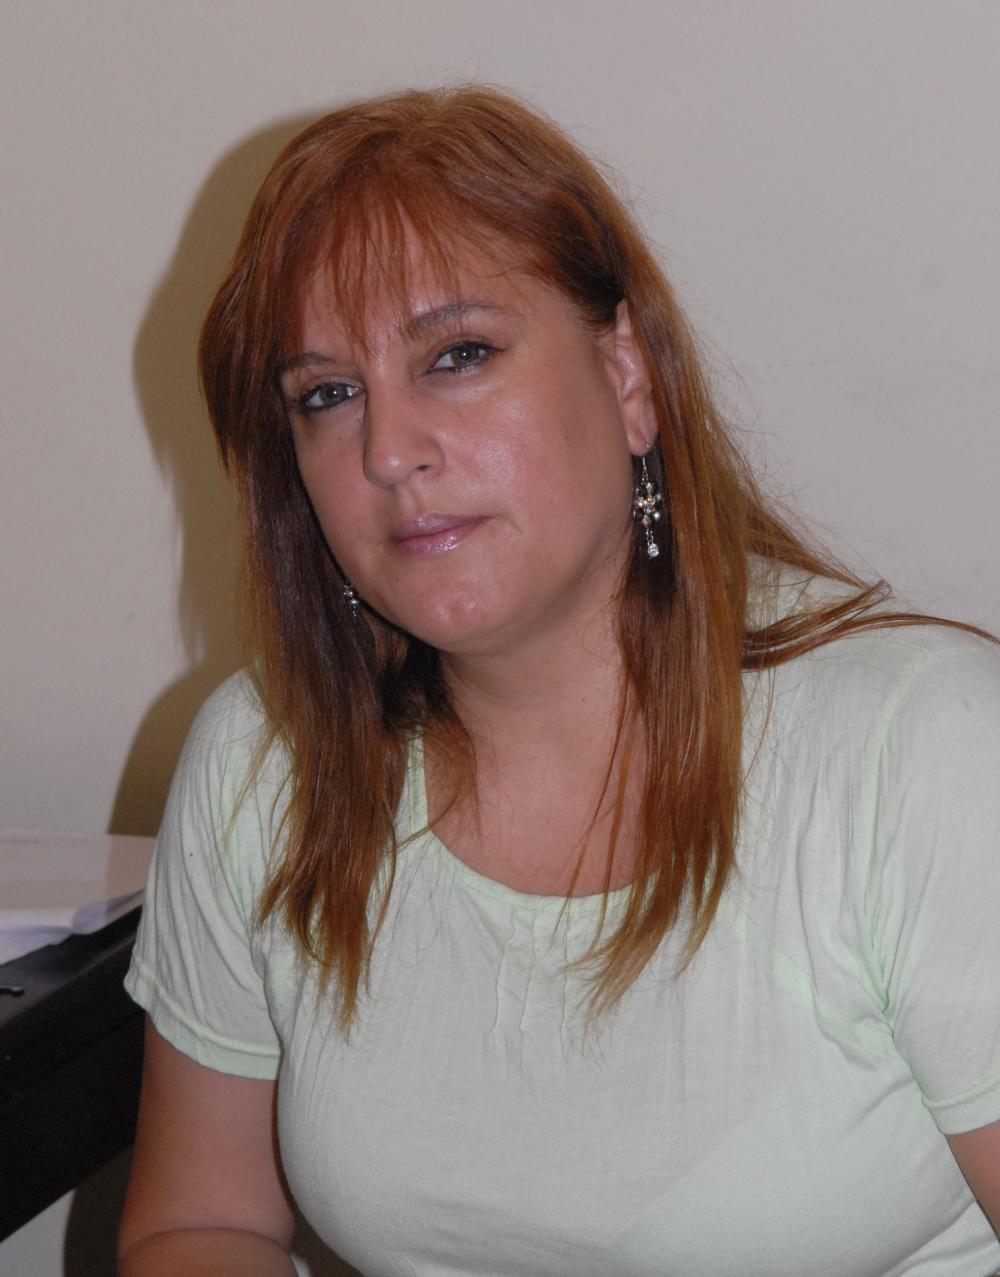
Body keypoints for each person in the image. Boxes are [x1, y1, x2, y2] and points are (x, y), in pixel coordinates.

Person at [117, 85, 1000, 1276]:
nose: (389, 450)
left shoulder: (925, 742)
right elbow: (202, 1221)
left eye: (458, 355)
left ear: (627, 375)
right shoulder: (264, 761)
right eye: (327, 394)